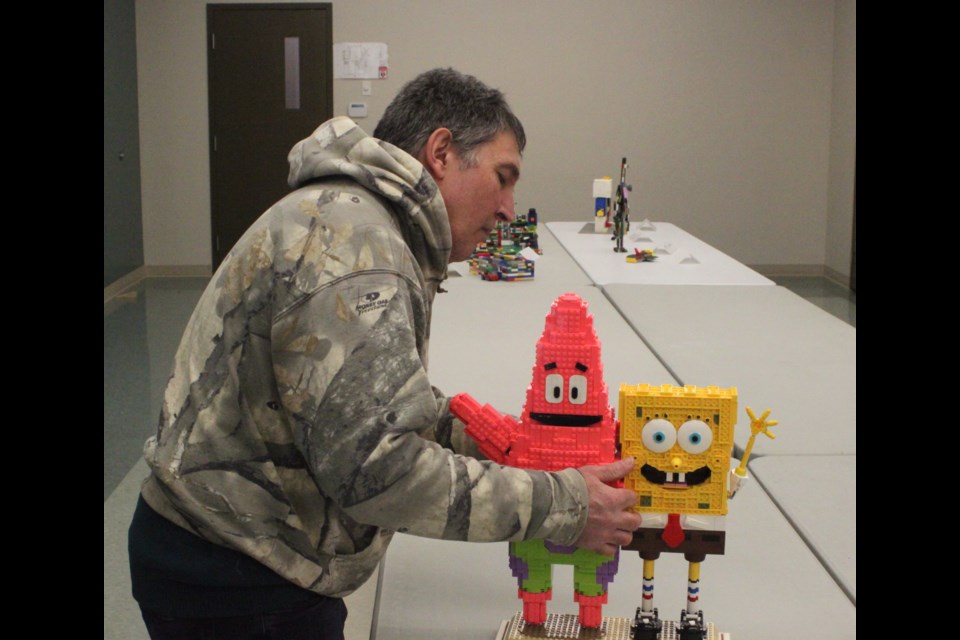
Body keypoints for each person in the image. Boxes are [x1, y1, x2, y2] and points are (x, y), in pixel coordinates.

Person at [127, 67, 641, 640]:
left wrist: (512, 445)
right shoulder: (356, 244)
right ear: (442, 152)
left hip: (239, 554)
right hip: (239, 576)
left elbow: (377, 404)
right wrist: (562, 505)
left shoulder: (360, 221)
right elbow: (376, 470)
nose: (508, 209)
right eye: (503, 177)